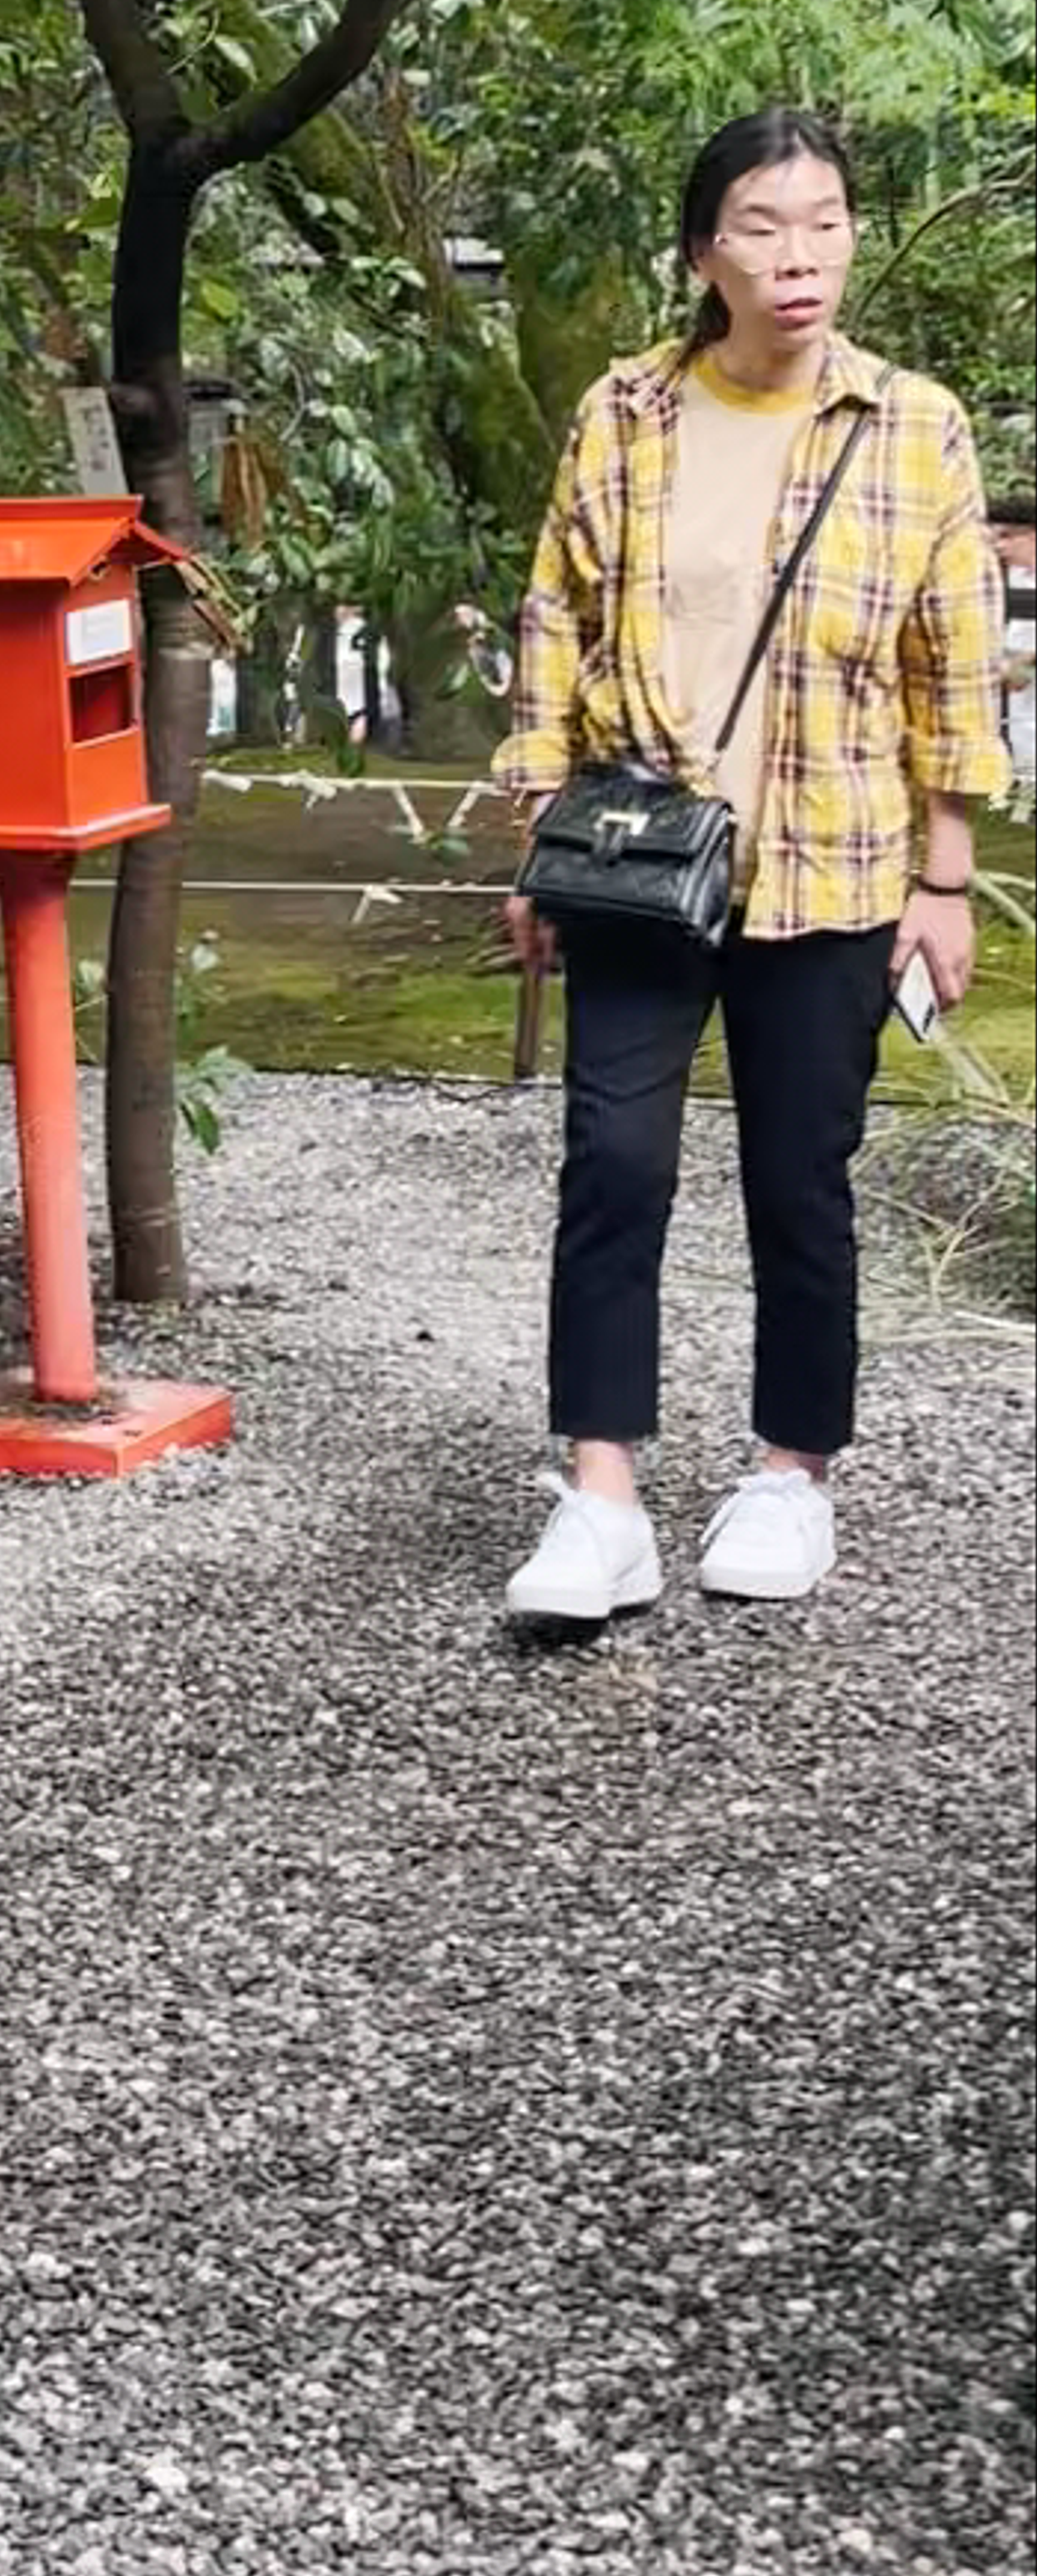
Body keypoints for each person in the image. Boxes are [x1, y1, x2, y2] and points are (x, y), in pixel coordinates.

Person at [493, 111, 1009, 1626]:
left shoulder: (912, 424)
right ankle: (601, 1497)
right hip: (641, 857)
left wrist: (948, 874)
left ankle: (792, 1469)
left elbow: (955, 660)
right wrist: (532, 839)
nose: (801, 256)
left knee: (802, 1176)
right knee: (614, 1165)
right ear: (703, 248)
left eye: (827, 220)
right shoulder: (627, 409)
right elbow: (552, 625)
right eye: (765, 226)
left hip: (839, 861)